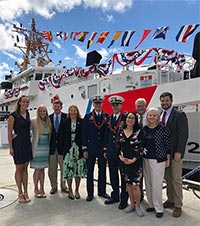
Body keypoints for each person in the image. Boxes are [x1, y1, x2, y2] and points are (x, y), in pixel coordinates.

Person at [160, 92, 188, 217]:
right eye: (162, 101)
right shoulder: (161, 115)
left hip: (175, 153)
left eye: (166, 101)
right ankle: (170, 200)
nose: (164, 103)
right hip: (164, 154)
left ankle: (178, 205)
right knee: (168, 178)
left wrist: (179, 151)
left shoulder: (179, 115)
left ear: (171, 101)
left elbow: (183, 134)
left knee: (176, 179)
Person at [142, 108, 170, 218]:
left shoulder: (162, 129)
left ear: (158, 117)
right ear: (147, 117)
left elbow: (167, 144)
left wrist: (168, 157)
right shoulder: (144, 129)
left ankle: (159, 208)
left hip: (158, 159)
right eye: (150, 115)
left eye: (154, 115)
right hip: (146, 158)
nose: (152, 117)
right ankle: (151, 204)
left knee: (157, 184)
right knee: (148, 182)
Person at [82, 95, 110, 202]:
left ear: (102, 104)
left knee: (102, 170)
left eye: (100, 103)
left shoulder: (107, 117)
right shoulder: (88, 117)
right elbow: (84, 134)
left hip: (102, 149)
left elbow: (107, 133)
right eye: (96, 104)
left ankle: (101, 191)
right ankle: (90, 193)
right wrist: (84, 149)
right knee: (90, 171)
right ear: (93, 105)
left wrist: (106, 148)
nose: (98, 105)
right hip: (90, 149)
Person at [117, 112, 144, 217]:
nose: (130, 119)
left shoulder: (139, 132)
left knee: (136, 186)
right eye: (128, 117)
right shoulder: (121, 132)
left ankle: (138, 206)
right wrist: (121, 157)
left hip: (135, 163)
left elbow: (141, 147)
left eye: (132, 118)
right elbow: (117, 146)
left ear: (135, 120)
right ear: (126, 119)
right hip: (124, 163)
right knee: (128, 185)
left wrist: (134, 159)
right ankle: (132, 204)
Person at [104, 95, 128, 210]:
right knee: (113, 174)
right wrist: (105, 149)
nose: (115, 107)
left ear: (121, 105)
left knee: (123, 176)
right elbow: (107, 134)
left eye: (117, 105)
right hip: (111, 151)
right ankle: (115, 195)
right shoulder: (108, 118)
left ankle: (124, 199)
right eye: (113, 105)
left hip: (122, 152)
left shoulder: (126, 118)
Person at [8, 95, 32, 203]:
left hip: (27, 143)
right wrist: (11, 147)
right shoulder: (13, 116)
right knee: (19, 168)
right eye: (24, 102)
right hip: (17, 144)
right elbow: (9, 133)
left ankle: (26, 192)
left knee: (25, 169)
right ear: (19, 102)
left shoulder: (28, 114)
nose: (25, 104)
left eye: (27, 102)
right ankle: (20, 192)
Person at [63, 105, 87, 200]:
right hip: (69, 150)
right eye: (71, 110)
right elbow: (61, 137)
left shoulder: (81, 122)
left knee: (78, 171)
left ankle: (77, 189)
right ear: (69, 112)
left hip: (79, 150)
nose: (73, 112)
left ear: (77, 112)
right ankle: (70, 190)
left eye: (74, 110)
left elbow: (84, 136)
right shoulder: (65, 122)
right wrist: (63, 150)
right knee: (69, 171)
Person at [30, 105, 52, 198]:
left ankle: (42, 188)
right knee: (37, 169)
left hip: (45, 148)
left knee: (42, 169)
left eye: (44, 111)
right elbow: (26, 130)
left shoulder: (48, 122)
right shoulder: (34, 121)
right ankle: (35, 188)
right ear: (38, 112)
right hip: (37, 149)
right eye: (41, 111)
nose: (42, 113)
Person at [49, 94, 68, 194]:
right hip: (52, 148)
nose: (56, 107)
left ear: (61, 107)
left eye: (58, 106)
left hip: (62, 148)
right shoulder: (49, 118)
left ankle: (63, 186)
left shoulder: (66, 117)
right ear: (52, 106)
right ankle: (54, 186)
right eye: (55, 105)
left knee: (63, 168)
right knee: (52, 169)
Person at [135, 98, 147, 201]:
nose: (140, 108)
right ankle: (139, 195)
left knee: (149, 175)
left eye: (142, 106)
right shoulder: (136, 118)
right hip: (137, 151)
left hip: (149, 151)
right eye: (138, 106)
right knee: (138, 174)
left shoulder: (151, 116)